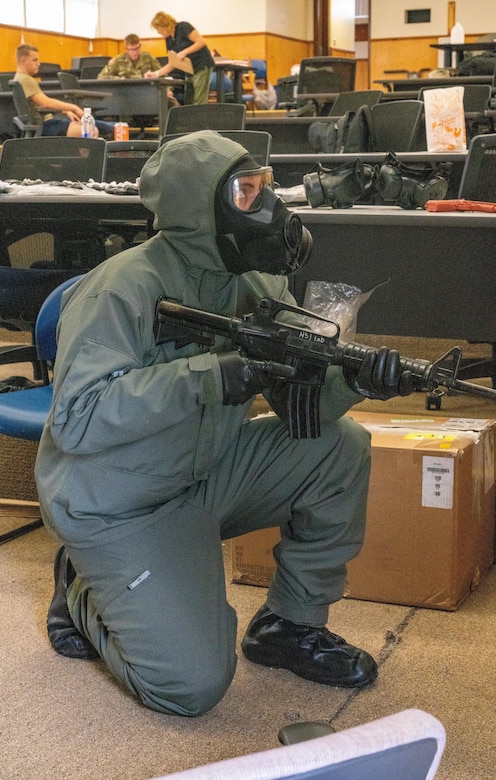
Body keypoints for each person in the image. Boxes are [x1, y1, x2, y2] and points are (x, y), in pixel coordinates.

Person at [35, 130, 414, 717]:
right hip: (119, 503)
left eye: (263, 186)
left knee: (341, 447)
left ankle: (289, 626)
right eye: (244, 192)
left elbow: (298, 407)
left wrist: (358, 381)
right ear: (197, 206)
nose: (267, 207)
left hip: (208, 472)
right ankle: (83, 587)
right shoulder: (119, 287)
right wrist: (210, 376)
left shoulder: (259, 284)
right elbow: (78, 421)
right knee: (189, 688)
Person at [14, 44, 112, 138]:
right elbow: (46, 103)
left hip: (46, 123)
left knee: (97, 126)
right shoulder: (26, 80)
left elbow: (37, 104)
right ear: (23, 61)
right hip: (46, 126)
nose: (38, 63)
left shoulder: (19, 78)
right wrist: (73, 108)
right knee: (92, 130)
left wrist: (65, 110)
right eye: (35, 60)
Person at [145, 12, 215, 105]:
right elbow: (173, 63)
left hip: (201, 65)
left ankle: (200, 118)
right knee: (188, 100)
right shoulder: (168, 39)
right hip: (188, 70)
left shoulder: (183, 27)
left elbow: (201, 42)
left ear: (165, 25)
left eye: (158, 29)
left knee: (199, 100)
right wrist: (156, 74)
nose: (158, 32)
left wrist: (184, 52)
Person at [97, 33, 162, 79]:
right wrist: (119, 79)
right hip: (125, 93)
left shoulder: (148, 58)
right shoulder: (118, 60)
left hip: (145, 91)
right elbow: (101, 77)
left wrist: (167, 90)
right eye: (131, 49)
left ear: (140, 46)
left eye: (136, 48)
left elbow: (163, 75)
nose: (134, 52)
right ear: (126, 49)